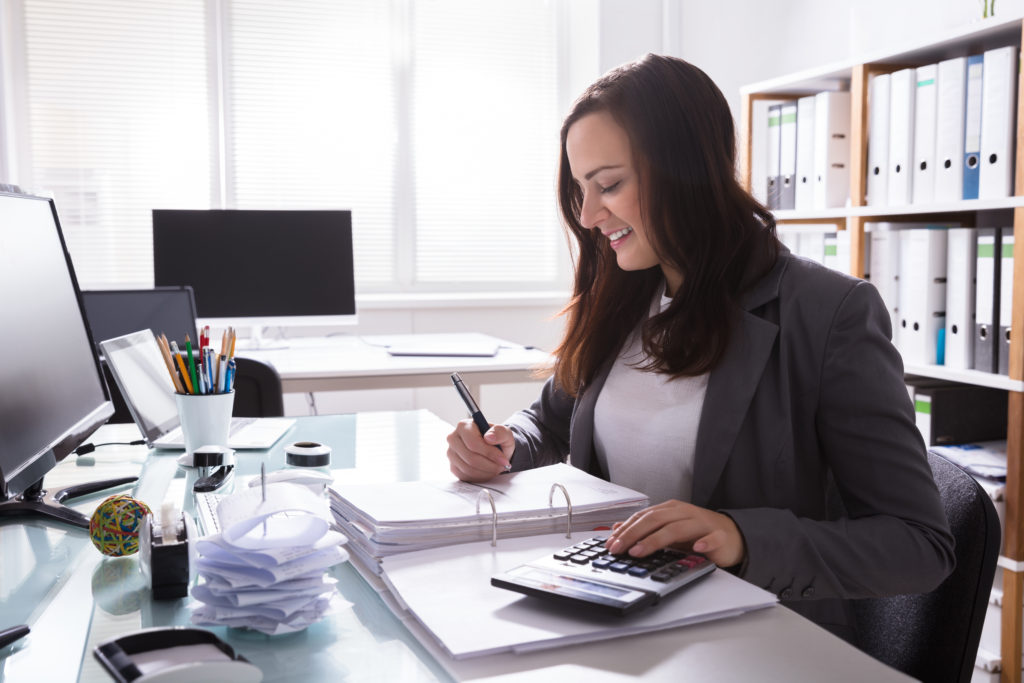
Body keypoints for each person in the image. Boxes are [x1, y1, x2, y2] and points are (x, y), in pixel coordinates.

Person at [445, 54, 954, 640]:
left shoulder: (828, 313)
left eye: (608, 184)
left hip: (753, 640)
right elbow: (551, 418)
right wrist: (504, 446)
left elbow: (918, 544)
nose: (587, 215)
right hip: (611, 615)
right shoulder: (624, 296)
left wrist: (739, 537)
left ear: (686, 170)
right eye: (580, 190)